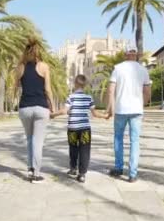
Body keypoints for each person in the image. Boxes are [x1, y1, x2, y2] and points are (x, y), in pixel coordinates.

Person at [51, 75, 107, 183]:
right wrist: (105, 116)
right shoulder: (89, 98)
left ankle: (73, 169)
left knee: (73, 148)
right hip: (85, 129)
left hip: (72, 128)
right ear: (84, 85)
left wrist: (52, 115)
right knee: (84, 150)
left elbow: (64, 111)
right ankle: (82, 175)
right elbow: (95, 114)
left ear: (75, 84)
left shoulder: (70, 97)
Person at [106, 50, 151, 183]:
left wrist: (111, 108)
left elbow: (110, 90)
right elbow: (147, 91)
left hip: (120, 109)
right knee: (135, 141)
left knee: (118, 138)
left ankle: (119, 168)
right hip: (136, 110)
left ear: (125, 55)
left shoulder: (117, 68)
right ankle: (132, 174)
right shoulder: (143, 70)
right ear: (136, 55)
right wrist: (142, 104)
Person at [14, 37, 54, 184]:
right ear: (38, 51)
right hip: (41, 107)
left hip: (25, 107)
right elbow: (48, 89)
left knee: (30, 139)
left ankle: (30, 168)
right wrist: (52, 106)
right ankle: (36, 174)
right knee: (38, 141)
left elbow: (16, 86)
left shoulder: (20, 67)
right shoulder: (44, 66)